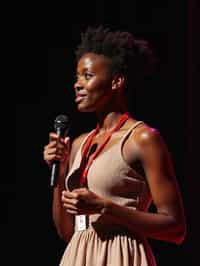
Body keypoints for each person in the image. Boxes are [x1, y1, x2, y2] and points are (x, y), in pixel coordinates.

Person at [44, 25, 186, 266]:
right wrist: (59, 172)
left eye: (87, 76)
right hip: (78, 255)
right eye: (77, 77)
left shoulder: (142, 138)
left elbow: (175, 228)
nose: (77, 84)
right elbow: (67, 232)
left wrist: (106, 207)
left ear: (116, 81)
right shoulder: (79, 143)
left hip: (120, 255)